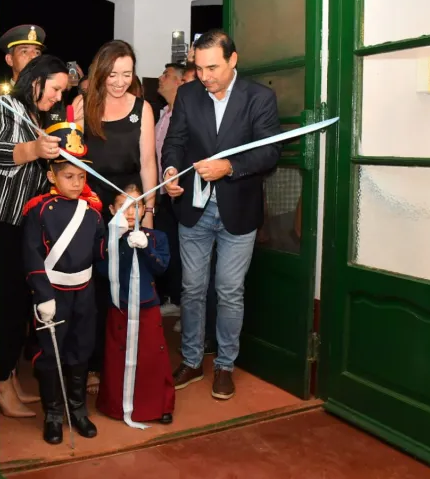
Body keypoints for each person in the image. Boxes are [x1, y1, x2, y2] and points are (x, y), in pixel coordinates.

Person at [162, 29, 281, 400]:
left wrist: (228, 166)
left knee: (229, 291)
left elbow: (268, 153)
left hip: (239, 211)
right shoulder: (187, 94)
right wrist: (169, 172)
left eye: (212, 67)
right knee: (192, 289)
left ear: (233, 59)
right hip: (193, 209)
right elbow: (175, 142)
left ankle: (225, 365)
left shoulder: (259, 98)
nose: (205, 76)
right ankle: (194, 360)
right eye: (199, 68)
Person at [0, 54, 72, 418]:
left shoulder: (34, 117)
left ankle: (9, 378)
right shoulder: (3, 107)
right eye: (55, 88)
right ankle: (0, 385)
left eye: (62, 92)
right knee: (7, 309)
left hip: (23, 227)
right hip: (1, 226)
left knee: (20, 309)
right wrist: (34, 150)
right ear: (36, 80)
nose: (58, 96)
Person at [82, 39, 159, 394]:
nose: (119, 81)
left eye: (127, 74)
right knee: (92, 284)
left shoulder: (142, 108)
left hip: (129, 206)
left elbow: (147, 163)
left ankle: (121, 362)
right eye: (113, 74)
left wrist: (149, 211)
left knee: (125, 283)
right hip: (90, 204)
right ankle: (91, 362)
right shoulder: (82, 105)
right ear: (101, 73)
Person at [22, 122, 105, 445]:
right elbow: (32, 256)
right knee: (50, 355)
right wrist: (42, 296)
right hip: (52, 294)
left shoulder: (94, 213)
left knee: (80, 351)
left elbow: (98, 253)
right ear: (51, 176)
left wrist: (123, 237)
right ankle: (54, 414)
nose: (76, 182)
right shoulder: (39, 211)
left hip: (84, 293)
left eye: (81, 176)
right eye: (68, 176)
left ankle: (78, 409)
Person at [95, 185, 175, 425]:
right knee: (116, 356)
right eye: (123, 207)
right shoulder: (105, 240)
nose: (130, 213)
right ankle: (115, 406)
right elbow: (100, 269)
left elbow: (162, 268)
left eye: (136, 206)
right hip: (119, 305)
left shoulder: (157, 237)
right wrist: (118, 242)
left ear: (144, 210)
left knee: (153, 356)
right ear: (111, 210)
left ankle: (159, 406)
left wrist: (146, 247)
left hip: (147, 305)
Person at [0, 23, 84, 129]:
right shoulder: (0, 98)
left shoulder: (55, 96)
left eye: (37, 52)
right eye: (24, 51)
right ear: (9, 59)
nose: (33, 56)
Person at [154, 63, 186, 317]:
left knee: (183, 248)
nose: (160, 79)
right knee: (167, 246)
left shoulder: (185, 116)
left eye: (166, 75)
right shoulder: (163, 113)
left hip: (179, 191)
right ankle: (174, 298)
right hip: (161, 193)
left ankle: (184, 304)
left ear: (179, 82)